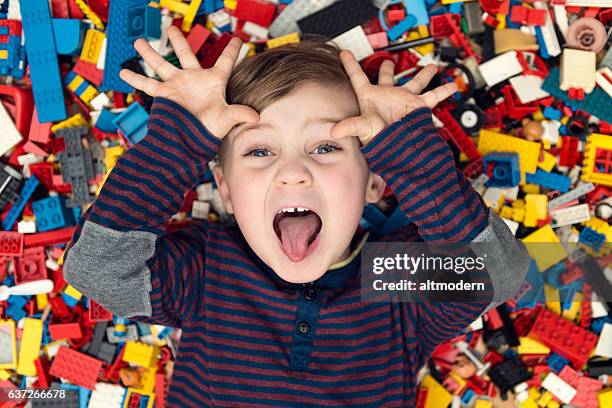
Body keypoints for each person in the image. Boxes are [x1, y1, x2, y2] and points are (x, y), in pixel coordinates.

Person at [63, 26, 530, 407]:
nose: (292, 173)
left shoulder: (396, 278)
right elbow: (98, 270)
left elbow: (497, 273)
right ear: (224, 188)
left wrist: (408, 153)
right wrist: (178, 142)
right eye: (260, 150)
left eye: (326, 147)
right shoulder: (208, 269)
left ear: (376, 180)